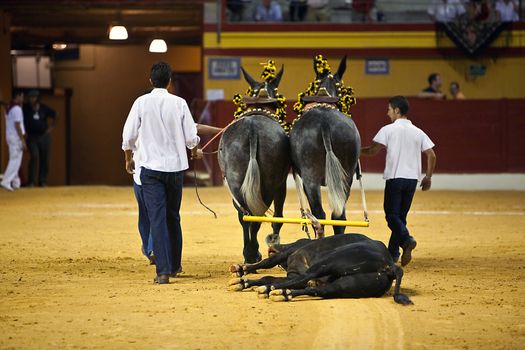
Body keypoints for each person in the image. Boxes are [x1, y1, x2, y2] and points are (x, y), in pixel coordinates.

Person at [122, 61, 204, 285]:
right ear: (170, 82)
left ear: (150, 81)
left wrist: (129, 158)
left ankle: (163, 272)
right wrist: (195, 150)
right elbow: (190, 136)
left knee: (156, 219)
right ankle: (176, 265)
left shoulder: (140, 102)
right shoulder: (179, 103)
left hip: (150, 170)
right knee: (173, 217)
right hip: (175, 169)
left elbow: (128, 135)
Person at [131, 123, 222, 267]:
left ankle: (152, 248)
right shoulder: (173, 110)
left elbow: (128, 138)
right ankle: (166, 258)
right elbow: (193, 129)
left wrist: (127, 158)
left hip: (144, 172)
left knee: (148, 214)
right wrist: (221, 130)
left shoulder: (142, 112)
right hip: (170, 171)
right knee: (168, 215)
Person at [361, 96, 437, 266]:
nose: (387, 113)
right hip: (412, 180)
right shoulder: (418, 131)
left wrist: (356, 152)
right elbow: (431, 155)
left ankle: (407, 239)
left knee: (391, 216)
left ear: (396, 110)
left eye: (389, 109)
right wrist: (428, 177)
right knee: (400, 217)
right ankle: (393, 252)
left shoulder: (388, 129)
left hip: (395, 178)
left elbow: (373, 151)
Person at [23, 89, 56, 187]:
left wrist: (51, 127)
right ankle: (31, 181)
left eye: (33, 97)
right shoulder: (25, 108)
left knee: (44, 158)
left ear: (38, 98)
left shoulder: (44, 108)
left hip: (44, 137)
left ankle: (42, 181)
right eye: (30, 97)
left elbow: (56, 114)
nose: (31, 99)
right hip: (32, 137)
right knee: (34, 156)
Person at [1, 90, 26, 192]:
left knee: (17, 160)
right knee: (14, 160)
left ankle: (16, 182)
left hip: (10, 136)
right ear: (18, 96)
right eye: (22, 96)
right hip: (16, 137)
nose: (23, 98)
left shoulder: (9, 107)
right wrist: (22, 140)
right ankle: (6, 181)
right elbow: (17, 125)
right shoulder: (17, 109)